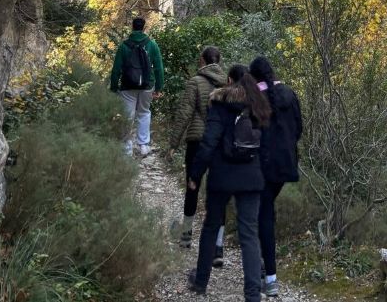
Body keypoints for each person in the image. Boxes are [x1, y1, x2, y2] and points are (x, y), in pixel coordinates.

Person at [187, 72, 272, 302]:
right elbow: (265, 148)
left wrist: (195, 174)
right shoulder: (258, 107)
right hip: (251, 178)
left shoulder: (219, 105)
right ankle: (253, 294)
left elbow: (208, 142)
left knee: (211, 226)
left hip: (222, 176)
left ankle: (201, 281)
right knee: (249, 234)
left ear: (228, 82)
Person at [249, 56, 303, 297]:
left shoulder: (255, 98)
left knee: (264, 215)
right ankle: (265, 267)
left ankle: (269, 275)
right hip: (286, 164)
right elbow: (299, 129)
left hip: (263, 164)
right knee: (267, 210)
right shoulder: (289, 94)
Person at [168, 46, 227, 249]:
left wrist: (173, 144)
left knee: (192, 187)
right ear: (218, 61)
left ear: (202, 60)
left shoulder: (195, 82)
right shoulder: (228, 84)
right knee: (218, 191)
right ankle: (218, 245)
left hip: (197, 140)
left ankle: (186, 236)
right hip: (219, 143)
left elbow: (185, 113)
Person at [109, 16, 164, 157]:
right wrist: (158, 88)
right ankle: (143, 146)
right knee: (144, 112)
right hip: (147, 86)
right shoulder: (152, 45)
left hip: (127, 86)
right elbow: (158, 68)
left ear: (132, 27)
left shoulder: (123, 46)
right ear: (144, 28)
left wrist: (114, 88)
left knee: (127, 116)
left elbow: (116, 69)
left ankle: (127, 148)